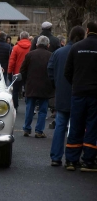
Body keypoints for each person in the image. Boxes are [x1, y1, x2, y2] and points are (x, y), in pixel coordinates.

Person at [47, 26, 86, 167]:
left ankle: (56, 157)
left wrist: (56, 85)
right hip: (80, 94)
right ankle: (73, 158)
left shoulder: (58, 52)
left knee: (60, 125)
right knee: (77, 127)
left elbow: (50, 70)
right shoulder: (83, 53)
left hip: (62, 93)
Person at [64, 22, 97, 172]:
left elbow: (67, 72)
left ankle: (71, 160)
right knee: (92, 127)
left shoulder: (76, 47)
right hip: (95, 95)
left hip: (78, 92)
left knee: (76, 125)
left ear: (87, 30)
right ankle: (88, 161)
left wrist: (76, 84)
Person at [19, 36, 54, 138]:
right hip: (45, 86)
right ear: (48, 45)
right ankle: (39, 131)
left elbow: (22, 70)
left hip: (31, 85)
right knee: (43, 110)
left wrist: (26, 82)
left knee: (30, 108)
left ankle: (26, 128)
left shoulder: (30, 55)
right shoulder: (51, 56)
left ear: (37, 44)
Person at [7, 31, 31, 111]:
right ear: (28, 37)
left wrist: (9, 72)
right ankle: (29, 106)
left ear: (20, 37)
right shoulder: (31, 47)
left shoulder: (16, 48)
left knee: (15, 90)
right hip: (28, 72)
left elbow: (12, 61)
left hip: (17, 72)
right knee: (28, 90)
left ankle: (15, 106)